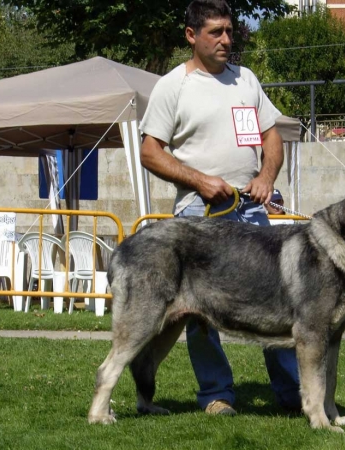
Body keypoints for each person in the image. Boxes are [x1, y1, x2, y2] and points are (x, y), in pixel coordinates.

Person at [138, 0, 300, 416]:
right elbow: (150, 153)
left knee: (279, 302)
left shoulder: (245, 80)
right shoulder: (172, 86)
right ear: (191, 36)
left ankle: (293, 394)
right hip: (198, 216)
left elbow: (272, 137)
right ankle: (216, 395)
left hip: (251, 214)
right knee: (199, 311)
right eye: (216, 32)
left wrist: (266, 177)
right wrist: (200, 181)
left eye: (229, 31)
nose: (227, 40)